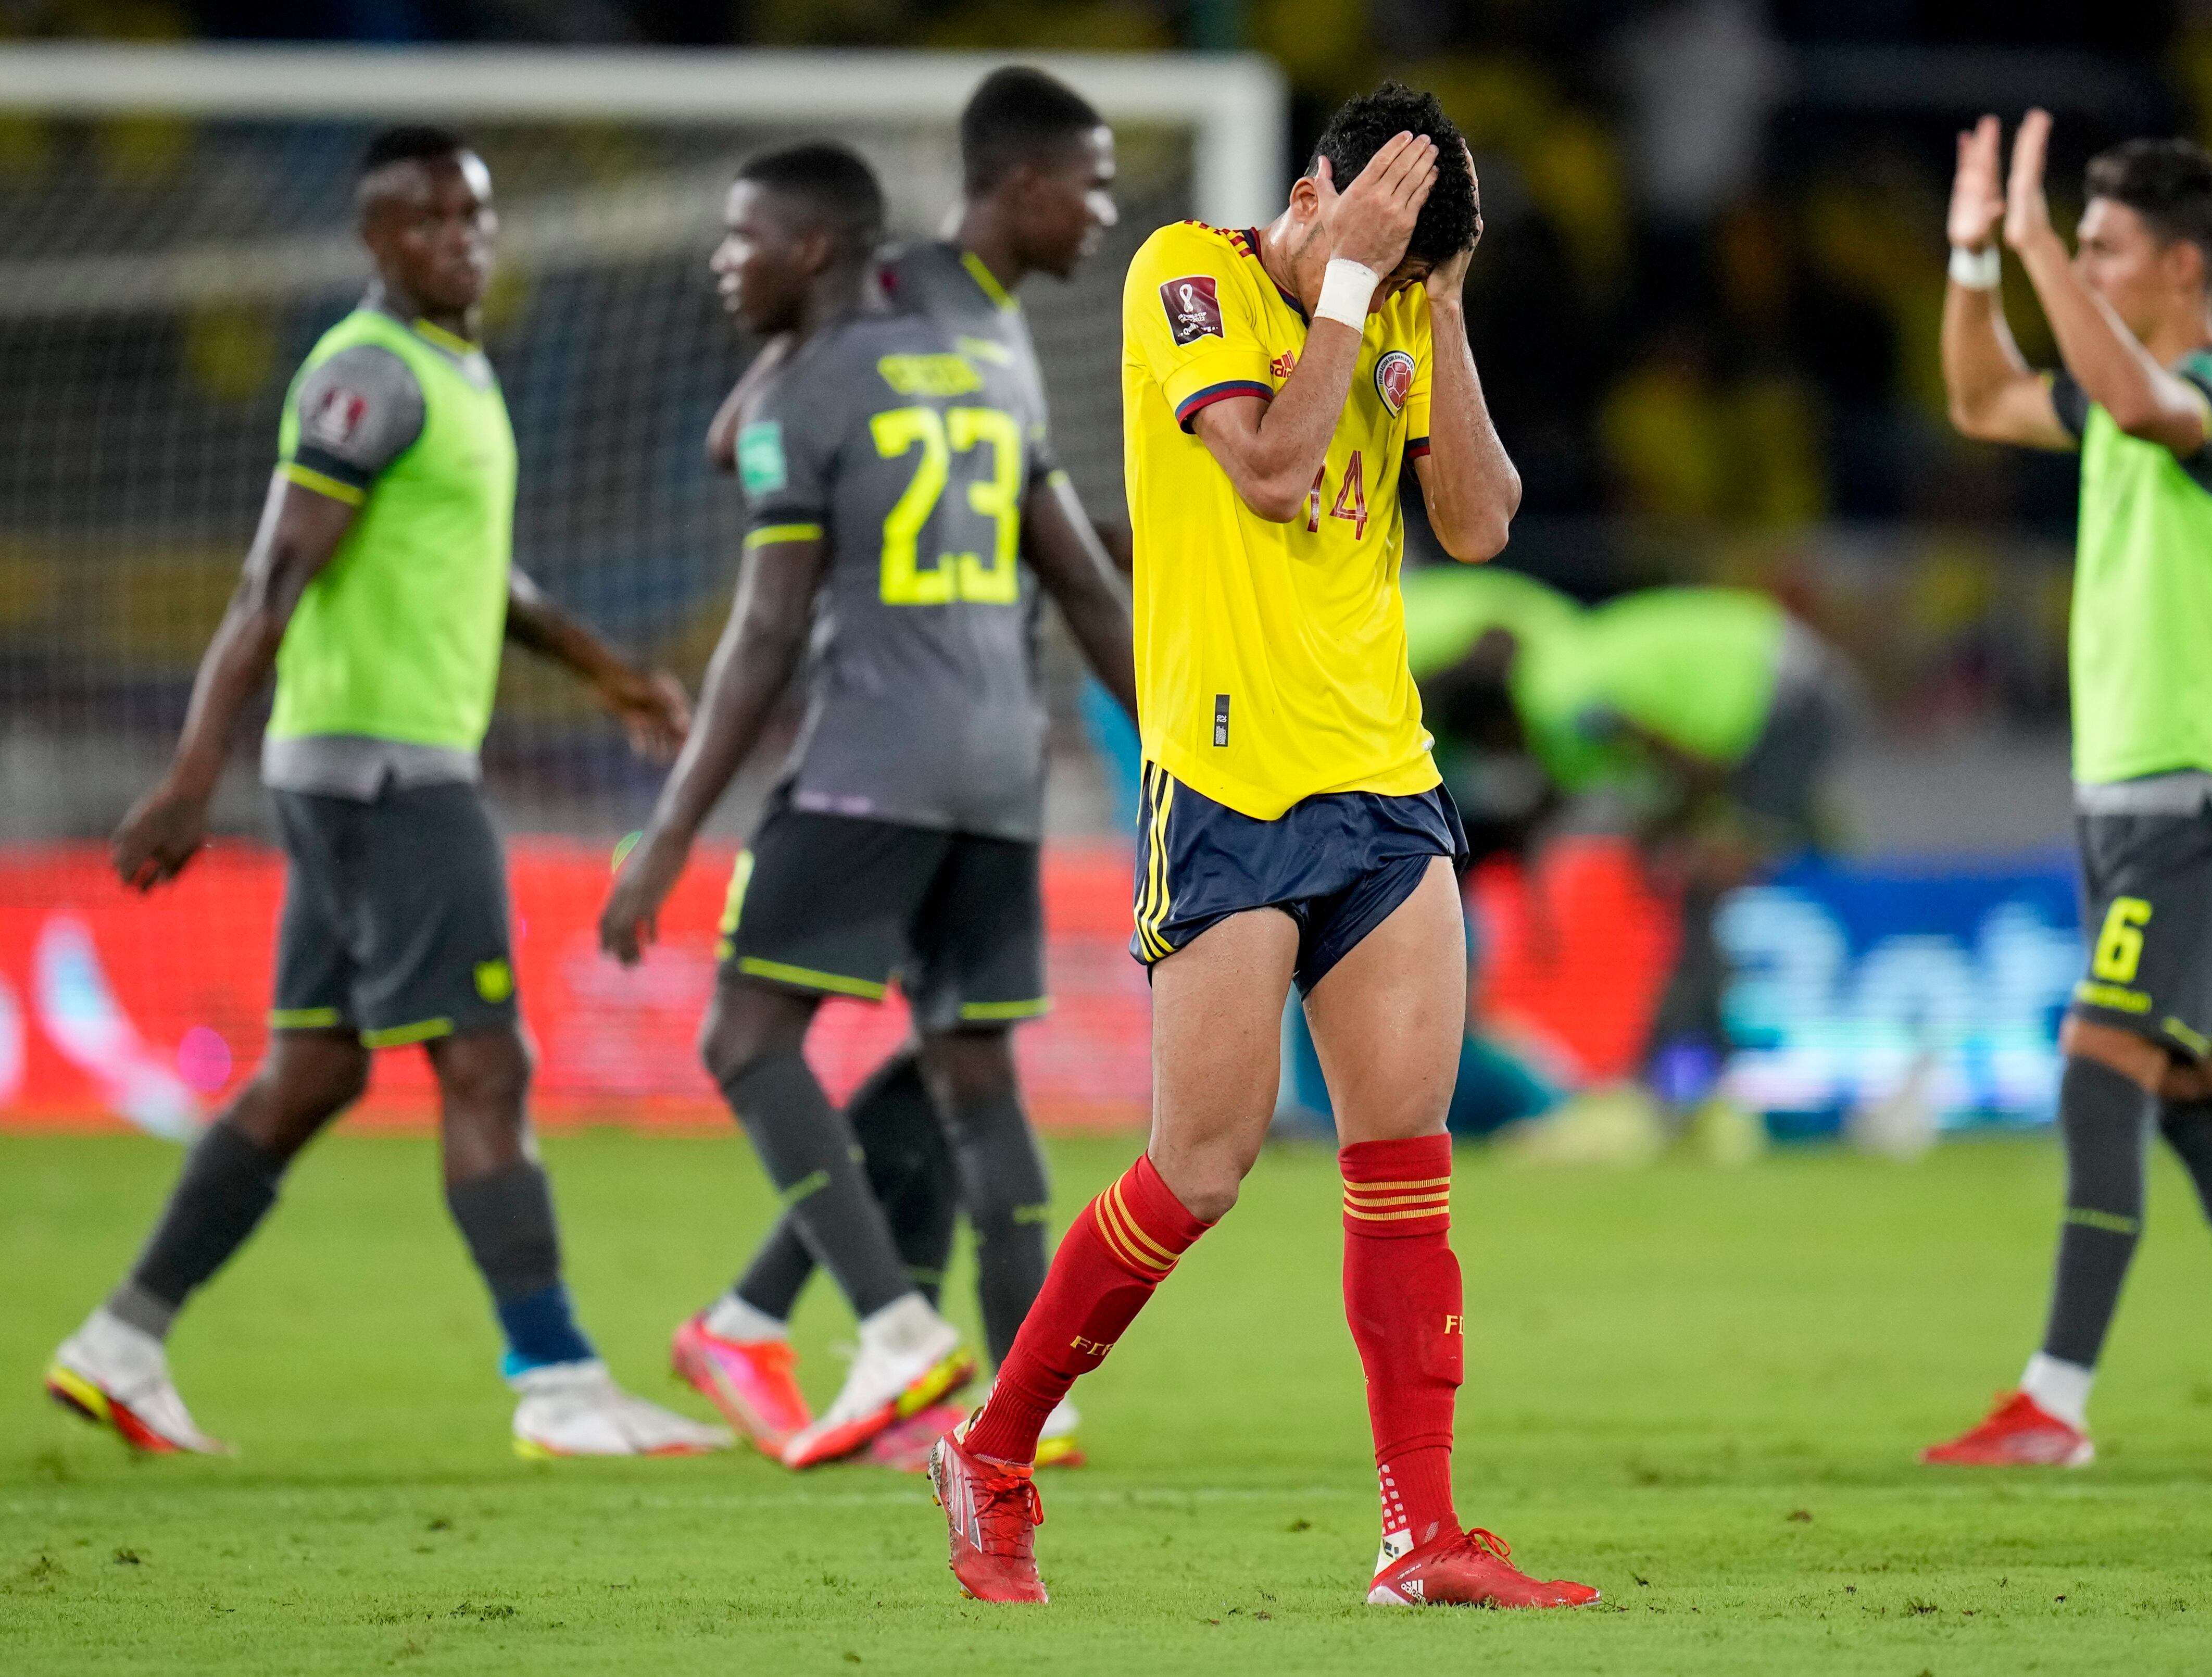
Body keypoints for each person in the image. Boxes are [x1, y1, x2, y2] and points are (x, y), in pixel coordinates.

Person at [925, 82, 1599, 1610]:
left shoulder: (1403, 305)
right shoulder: (1187, 274)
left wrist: (1441, 307)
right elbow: (1277, 467)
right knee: (1198, 1169)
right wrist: (1353, 288)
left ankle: (1417, 1535)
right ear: (1309, 195)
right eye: (1371, 244)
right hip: (1224, 786)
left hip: (1380, 784)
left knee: (1403, 1164)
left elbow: (1479, 521)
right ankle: (991, 1447)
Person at [43, 126, 726, 1460]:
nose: (459, 241)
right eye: (427, 221)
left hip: (368, 767)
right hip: (385, 771)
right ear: (373, 240)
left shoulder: (449, 371)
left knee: (313, 1070)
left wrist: (609, 672)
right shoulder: (367, 375)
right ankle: (560, 1383)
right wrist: (189, 775)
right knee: (485, 1065)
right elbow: (269, 580)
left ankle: (119, 1342)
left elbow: (483, 574)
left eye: (473, 217)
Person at [597, 130, 1134, 1473]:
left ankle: (892, 1329)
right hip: (1000, 764)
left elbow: (767, 630)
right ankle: (1033, 1399)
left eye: (743, 241)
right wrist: (1180, 743)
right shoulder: (987, 363)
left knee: (745, 1040)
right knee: (970, 1069)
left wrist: (668, 834)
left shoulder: (808, 394)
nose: (722, 264)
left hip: (866, 766)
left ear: (815, 249)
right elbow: (1079, 582)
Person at [1926, 112, 2212, 1466]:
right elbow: (1977, 399)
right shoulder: (2115, 404)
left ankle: (2053, 1403)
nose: (2075, 264)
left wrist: (2025, 247)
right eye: (2066, 244)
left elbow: (2140, 400)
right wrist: (1971, 265)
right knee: (2198, 1103)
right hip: (2124, 792)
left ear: (2179, 266)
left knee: (2097, 1071)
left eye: (2098, 247)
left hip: (2197, 800)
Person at [1512, 586, 1856, 1117]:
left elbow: (1684, 761)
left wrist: (1668, 830)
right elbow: (1673, 766)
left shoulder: (1559, 692)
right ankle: (1706, 1072)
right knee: (1698, 891)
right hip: (1771, 696)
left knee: (1710, 881)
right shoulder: (1581, 671)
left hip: (1787, 697)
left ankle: (1712, 1074)